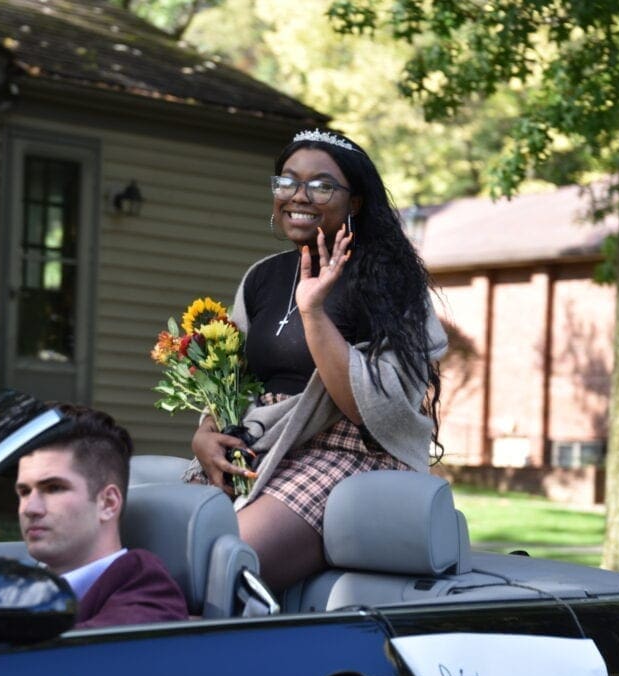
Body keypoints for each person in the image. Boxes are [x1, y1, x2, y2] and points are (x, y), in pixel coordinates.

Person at [187, 129, 448, 590]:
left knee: (219, 565)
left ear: (356, 203)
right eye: (287, 182)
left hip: (346, 452)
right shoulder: (262, 278)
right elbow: (229, 379)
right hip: (261, 446)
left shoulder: (389, 285)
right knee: (163, 551)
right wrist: (205, 436)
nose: (298, 196)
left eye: (321, 185)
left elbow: (372, 413)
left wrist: (313, 312)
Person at [16, 405, 189, 629]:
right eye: (24, 491)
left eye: (54, 488)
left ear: (108, 503)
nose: (30, 508)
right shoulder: (18, 586)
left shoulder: (148, 597)